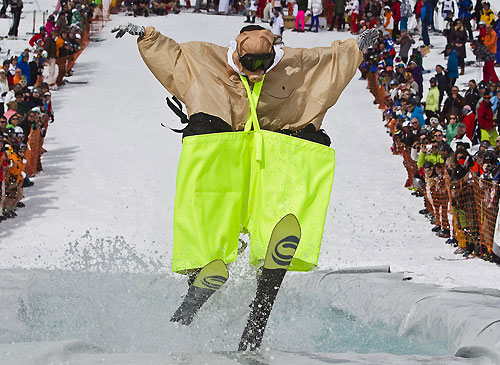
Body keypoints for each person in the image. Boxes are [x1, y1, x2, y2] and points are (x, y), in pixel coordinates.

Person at [112, 22, 379, 349]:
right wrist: (147, 35)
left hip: (271, 156)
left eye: (263, 65)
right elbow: (176, 58)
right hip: (223, 155)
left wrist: (357, 47)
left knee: (277, 210)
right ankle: (198, 280)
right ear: (236, 53)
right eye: (248, 64)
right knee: (207, 218)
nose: (256, 72)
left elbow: (330, 62)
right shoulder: (206, 58)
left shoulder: (293, 63)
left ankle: (261, 298)